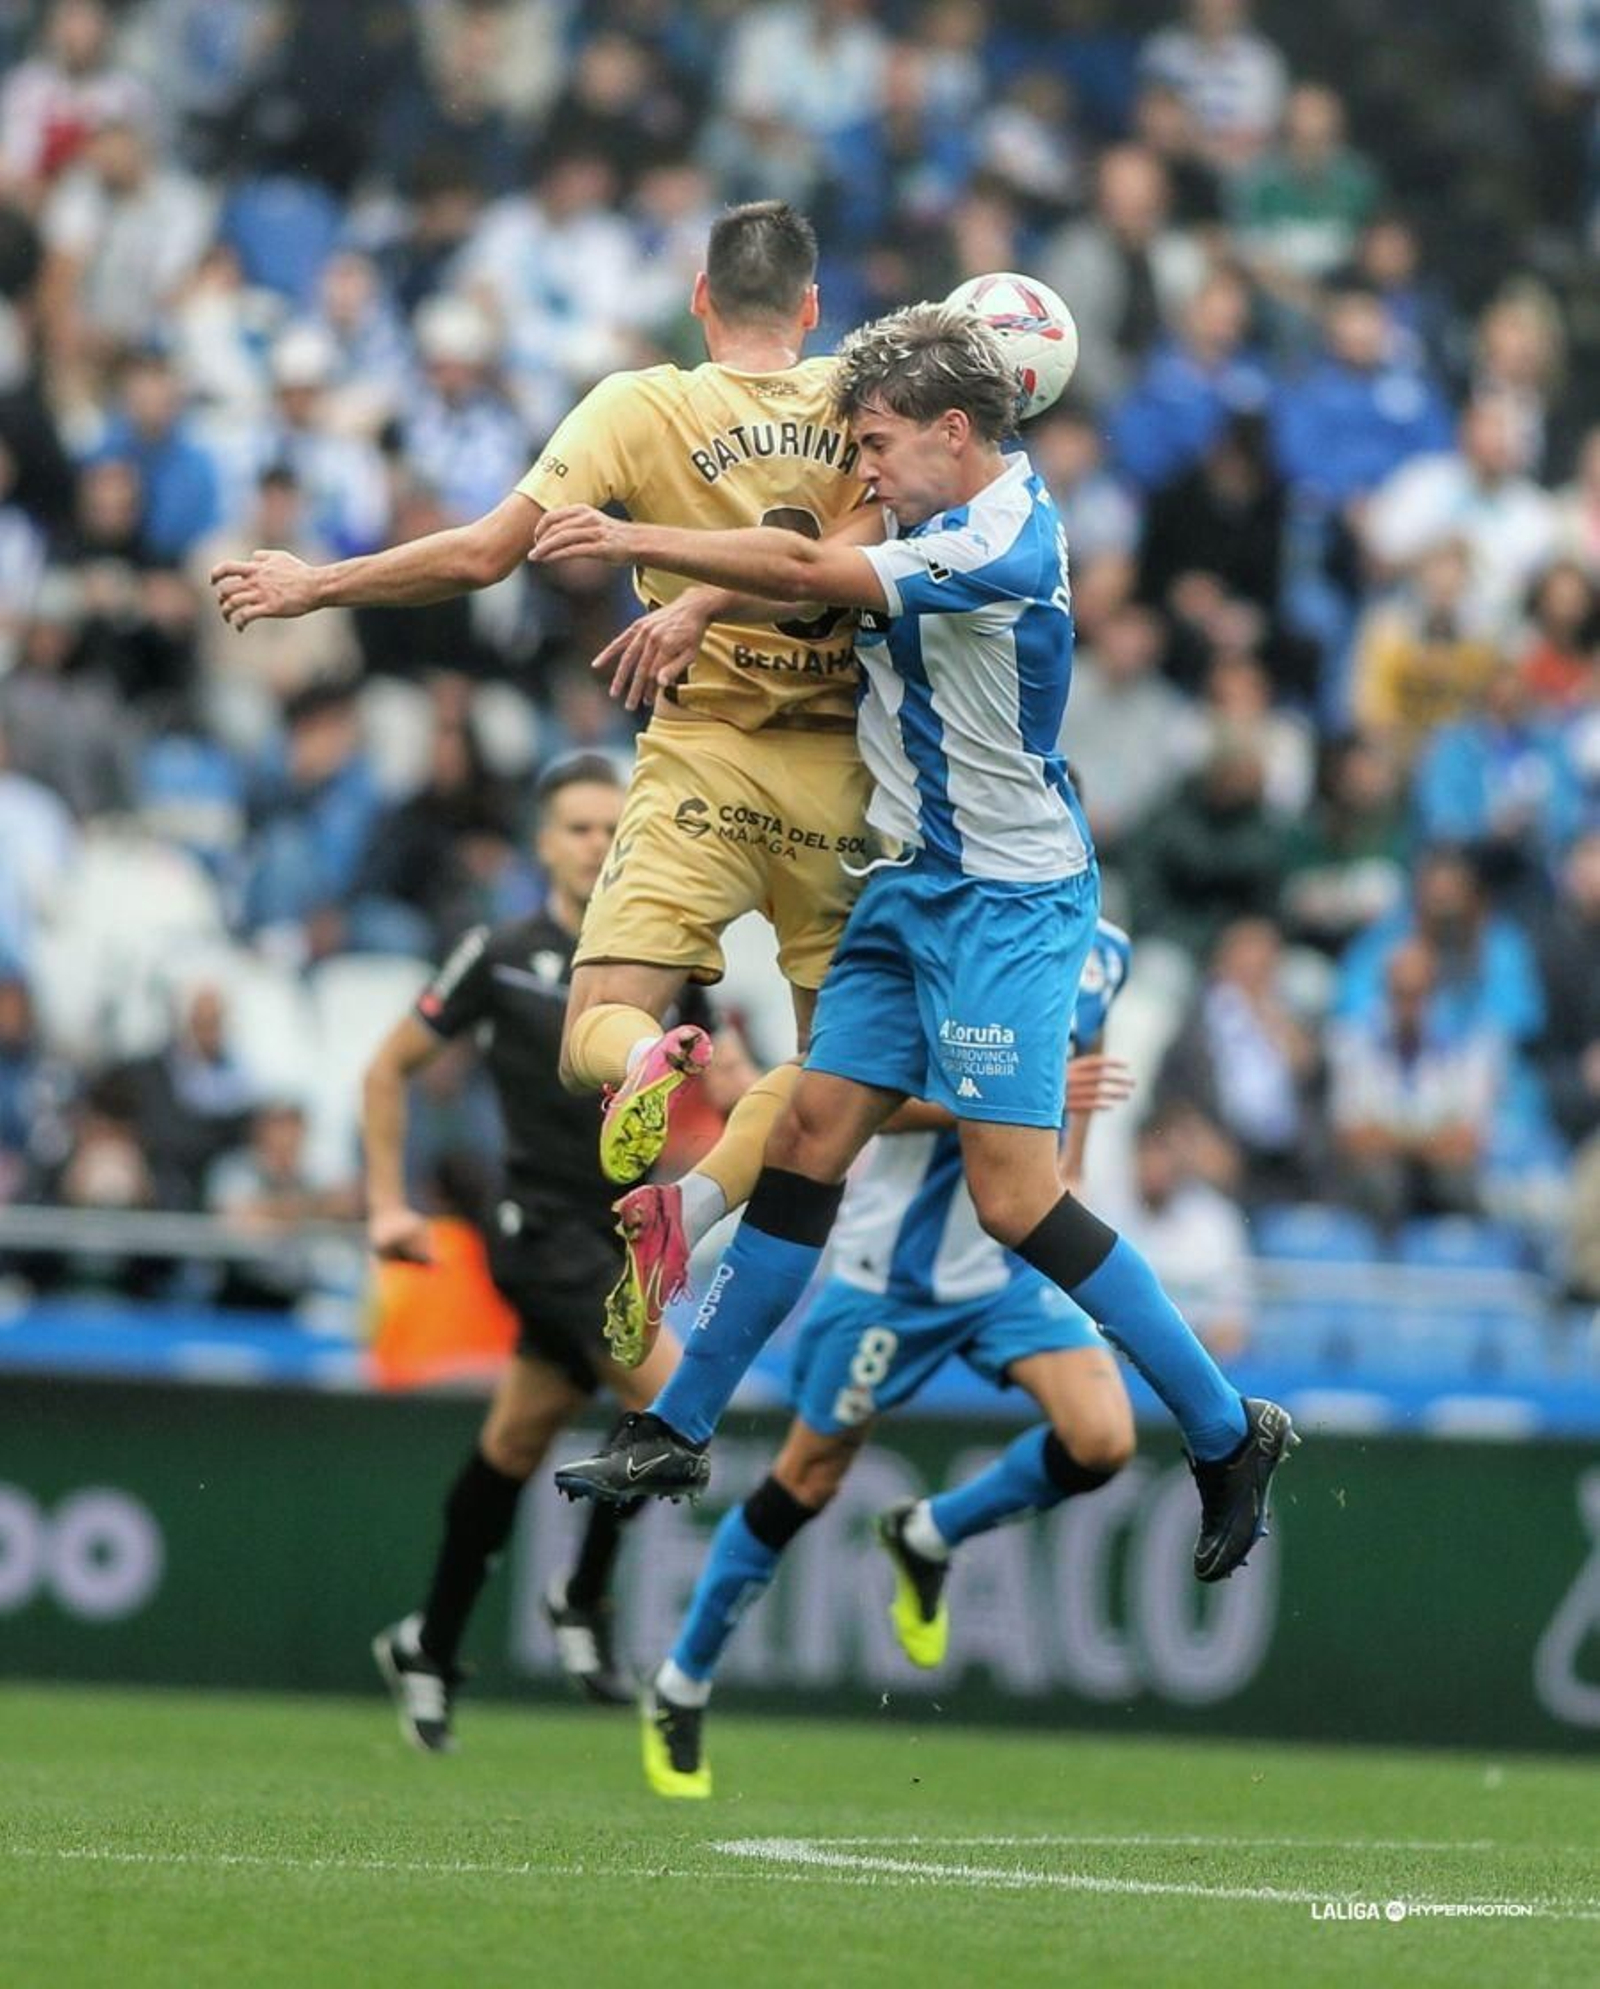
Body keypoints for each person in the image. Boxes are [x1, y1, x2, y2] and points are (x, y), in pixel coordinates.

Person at [533, 302, 1297, 1589]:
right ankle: (675, 1426)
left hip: (1009, 901)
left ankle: (1229, 1432)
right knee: (817, 1133)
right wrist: (694, 606)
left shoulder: (1004, 536)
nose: (861, 467)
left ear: (955, 431)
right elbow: (821, 536)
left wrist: (633, 543)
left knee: (1013, 1196)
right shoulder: (914, 499)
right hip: (907, 889)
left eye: (876, 443)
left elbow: (818, 575)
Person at [210, 199, 873, 1363]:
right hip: (839, 776)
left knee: (593, 1030)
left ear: (699, 297)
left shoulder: (639, 402)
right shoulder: (861, 407)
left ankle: (648, 1062)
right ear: (813, 309)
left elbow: (480, 555)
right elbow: (867, 559)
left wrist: (316, 585)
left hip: (699, 757)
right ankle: (701, 1218)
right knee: (826, 1084)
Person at [641, 918, 1137, 1798]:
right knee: (806, 1478)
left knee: (1103, 1437)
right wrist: (1016, 1092)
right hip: (889, 1277)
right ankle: (683, 1678)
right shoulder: (934, 938)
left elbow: (1082, 1052)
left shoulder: (1102, 948)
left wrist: (1074, 1164)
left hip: (1005, 1271)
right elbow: (858, 1104)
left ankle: (928, 1531)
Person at [364, 756, 693, 1753]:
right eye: (578, 828)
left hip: (617, 1240)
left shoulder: (673, 963)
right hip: (533, 1228)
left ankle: (427, 1642)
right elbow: (389, 1068)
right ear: (544, 843)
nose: (596, 843)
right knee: (676, 1406)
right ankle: (582, 1595)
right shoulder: (499, 951)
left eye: (610, 828)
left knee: (513, 1445)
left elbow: (736, 1083)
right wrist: (386, 1203)